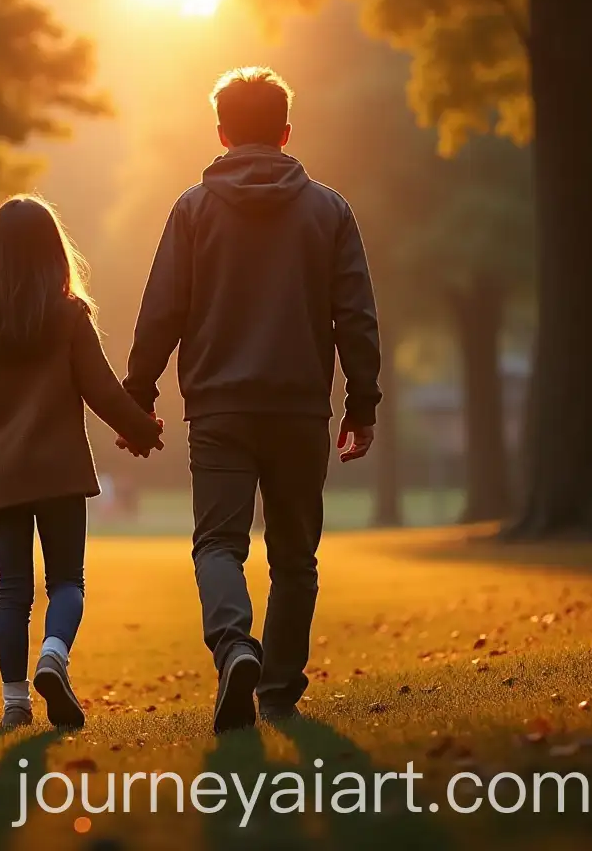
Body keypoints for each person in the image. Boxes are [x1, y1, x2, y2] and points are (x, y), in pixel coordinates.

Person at [120, 67, 381, 733]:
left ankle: (235, 645)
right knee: (295, 555)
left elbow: (161, 312)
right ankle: (278, 691)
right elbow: (355, 314)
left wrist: (138, 395)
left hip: (218, 408)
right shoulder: (330, 210)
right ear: (286, 132)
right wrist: (362, 403)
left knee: (217, 545)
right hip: (298, 408)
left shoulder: (192, 210)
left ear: (222, 133)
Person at [0, 195, 164, 730]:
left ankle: (14, 702)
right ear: (54, 253)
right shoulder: (68, 316)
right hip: (58, 473)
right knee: (66, 583)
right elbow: (100, 387)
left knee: (12, 590)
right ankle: (53, 654)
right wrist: (143, 431)